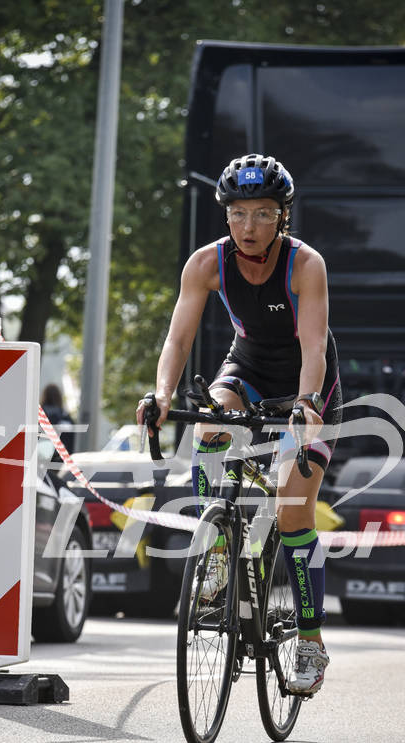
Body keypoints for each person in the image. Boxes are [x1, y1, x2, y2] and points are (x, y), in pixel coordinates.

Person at [137, 153, 342, 696]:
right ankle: (220, 553)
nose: (249, 227)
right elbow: (178, 340)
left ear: (283, 217)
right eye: (239, 213)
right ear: (225, 214)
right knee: (209, 424)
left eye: (264, 214)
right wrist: (161, 395)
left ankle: (310, 641)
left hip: (307, 377)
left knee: (294, 509)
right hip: (247, 366)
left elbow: (314, 344)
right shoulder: (206, 263)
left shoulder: (305, 264)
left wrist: (305, 403)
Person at [40, 383, 75, 455]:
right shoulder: (65, 417)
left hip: (39, 457)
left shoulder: (37, 416)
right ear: (59, 397)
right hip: (60, 458)